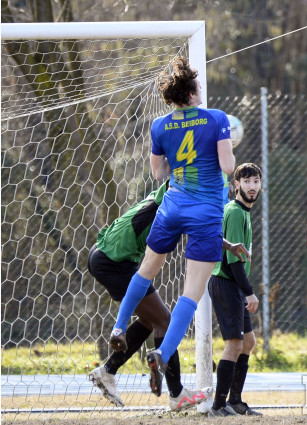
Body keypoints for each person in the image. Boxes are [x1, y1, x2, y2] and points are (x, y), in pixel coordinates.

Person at [108, 56, 236, 397]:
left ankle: (119, 326)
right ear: (193, 92)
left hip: (172, 207)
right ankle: (161, 354)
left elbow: (157, 174)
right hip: (205, 212)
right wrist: (226, 147)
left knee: (146, 270)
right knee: (191, 293)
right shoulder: (217, 119)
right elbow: (227, 165)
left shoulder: (160, 126)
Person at [87, 179, 248, 410]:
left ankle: (108, 371)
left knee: (151, 319)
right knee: (163, 320)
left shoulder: (173, 192)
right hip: (114, 260)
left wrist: (228, 245)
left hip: (105, 252)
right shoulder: (182, 194)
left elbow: (196, 228)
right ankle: (176, 394)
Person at [208, 163, 263, 417]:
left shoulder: (245, 212)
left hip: (234, 285)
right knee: (233, 343)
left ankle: (236, 401)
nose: (252, 186)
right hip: (226, 283)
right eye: (247, 181)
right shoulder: (235, 212)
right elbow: (232, 262)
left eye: (256, 181)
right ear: (236, 185)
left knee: (248, 342)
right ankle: (218, 406)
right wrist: (249, 292)